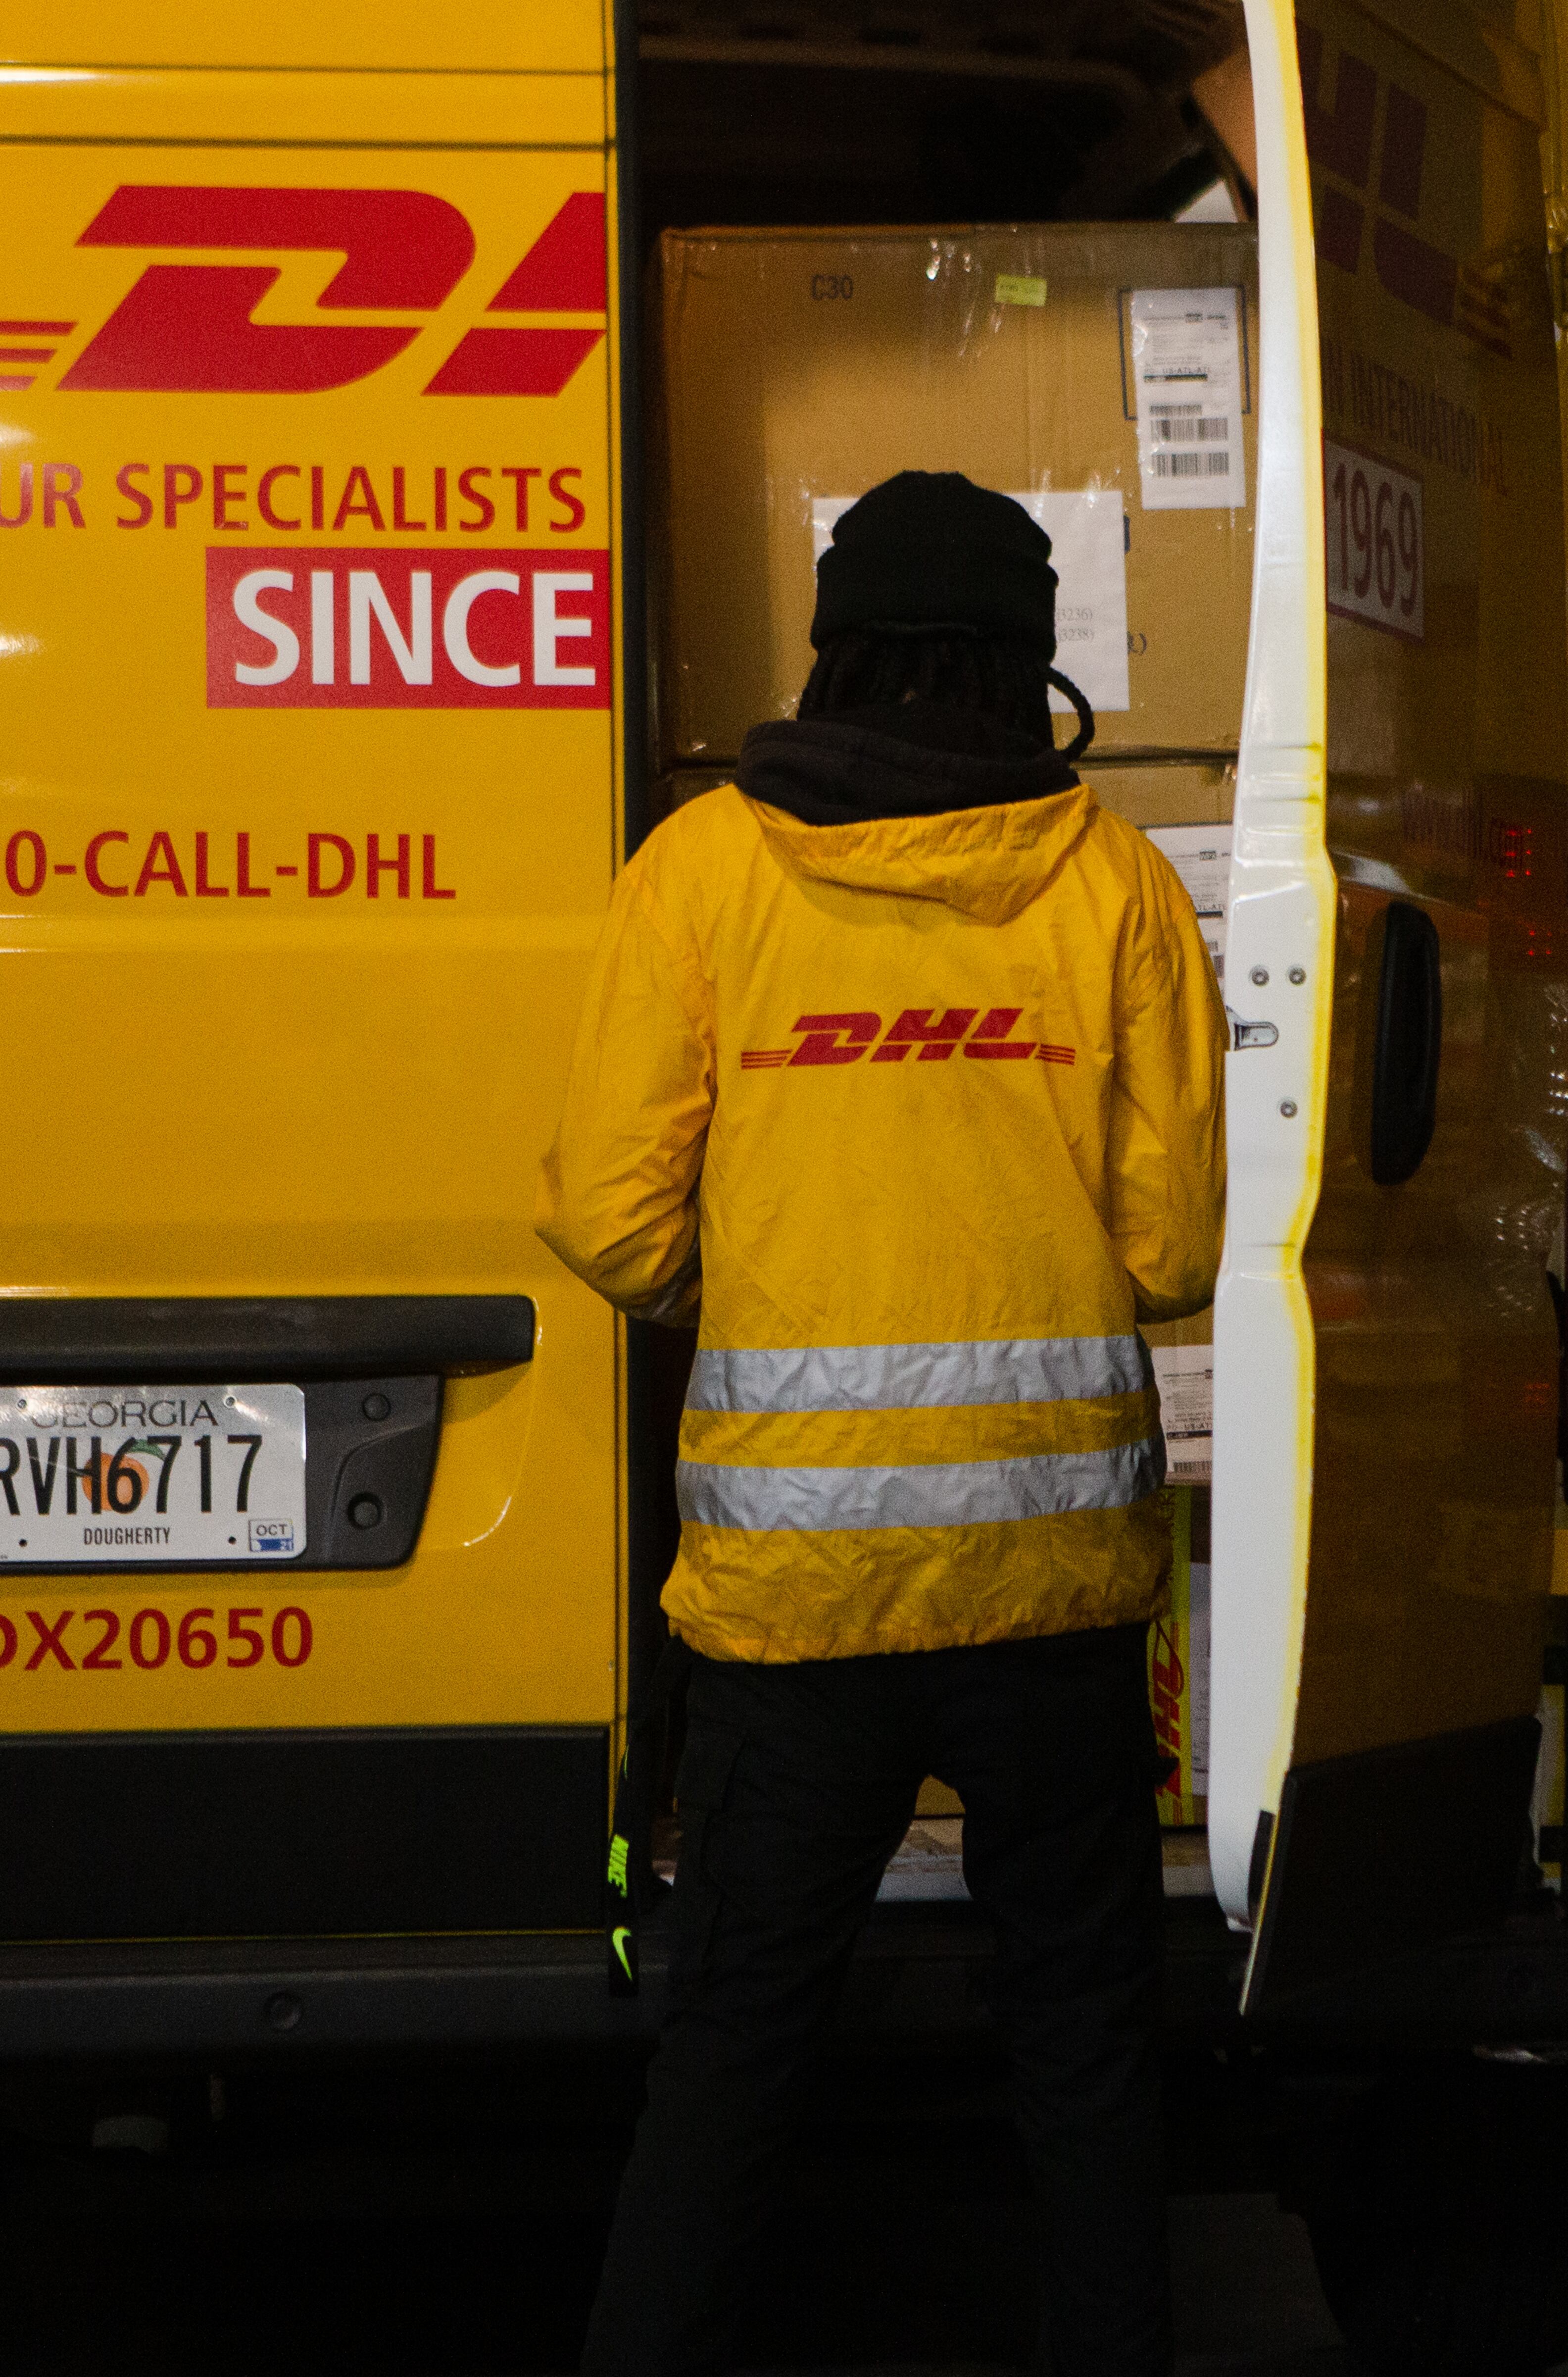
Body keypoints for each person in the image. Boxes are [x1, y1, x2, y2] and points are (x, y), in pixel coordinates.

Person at [536, 470, 1227, 2377]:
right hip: (1057, 1603)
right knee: (1087, 2051)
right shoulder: (1116, 886)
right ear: (1031, 666)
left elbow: (607, 1217)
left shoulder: (703, 874)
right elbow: (1173, 1255)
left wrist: (748, 1271)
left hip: (794, 1610)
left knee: (739, 2045)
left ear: (835, 639)